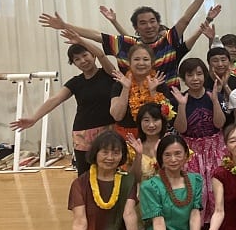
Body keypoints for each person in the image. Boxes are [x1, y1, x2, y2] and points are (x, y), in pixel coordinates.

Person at [39, 0, 221, 88]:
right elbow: (96, 35)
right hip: (135, 106)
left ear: (158, 23)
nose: (149, 26)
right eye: (143, 23)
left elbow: (185, 19)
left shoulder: (168, 40)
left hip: (169, 103)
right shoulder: (127, 44)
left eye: (152, 21)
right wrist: (65, 25)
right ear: (136, 28)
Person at [11, 37, 116, 176]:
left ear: (93, 55)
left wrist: (81, 40)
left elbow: (102, 54)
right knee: (84, 174)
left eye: (85, 55)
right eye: (77, 59)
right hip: (83, 133)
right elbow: (55, 99)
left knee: (110, 171)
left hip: (108, 129)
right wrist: (34, 118)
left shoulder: (109, 74)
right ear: (74, 63)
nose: (83, 61)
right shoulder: (75, 82)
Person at [172, 58, 226, 223]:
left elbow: (220, 124)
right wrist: (182, 105)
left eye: (199, 74)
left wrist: (215, 101)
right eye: (190, 75)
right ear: (184, 78)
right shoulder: (179, 99)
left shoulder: (214, 95)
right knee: (197, 192)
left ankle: (217, 226)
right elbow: (181, 129)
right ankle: (197, 227)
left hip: (214, 149)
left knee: (217, 191)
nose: (195, 78)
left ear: (205, 75)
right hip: (191, 152)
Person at [110, 43, 175, 140]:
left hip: (153, 136)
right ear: (129, 63)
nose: (141, 63)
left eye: (145, 59)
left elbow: (166, 116)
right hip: (126, 137)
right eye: (136, 59)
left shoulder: (159, 84)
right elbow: (117, 116)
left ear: (152, 63)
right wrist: (125, 88)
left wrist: (153, 92)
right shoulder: (120, 84)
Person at [127, 102, 168, 183]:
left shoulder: (171, 144)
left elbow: (175, 176)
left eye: (155, 120)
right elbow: (133, 180)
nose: (151, 125)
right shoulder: (133, 148)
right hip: (142, 190)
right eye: (146, 120)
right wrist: (138, 155)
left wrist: (159, 155)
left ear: (162, 122)